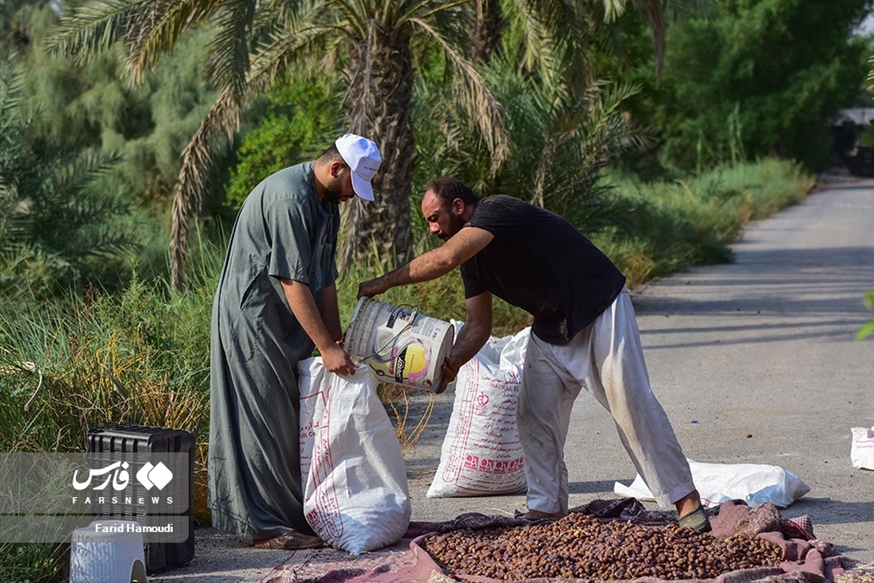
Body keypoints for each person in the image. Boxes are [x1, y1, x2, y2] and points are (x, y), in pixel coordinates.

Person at [357, 177, 710, 532]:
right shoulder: (474, 263)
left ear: (459, 207)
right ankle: (546, 507)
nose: (433, 229)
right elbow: (477, 325)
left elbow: (445, 258)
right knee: (533, 414)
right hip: (551, 326)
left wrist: (383, 282)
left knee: (631, 407)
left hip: (598, 307)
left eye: (435, 218)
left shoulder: (497, 209)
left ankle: (686, 502)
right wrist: (450, 365)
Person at [209, 134, 382, 550]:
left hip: (287, 321)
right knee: (264, 419)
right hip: (254, 318)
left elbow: (325, 282)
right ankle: (267, 529)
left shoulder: (326, 205)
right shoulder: (290, 198)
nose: (350, 199)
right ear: (335, 168)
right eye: (351, 189)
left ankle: (292, 516)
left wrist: (338, 337)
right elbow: (292, 281)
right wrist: (325, 348)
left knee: (290, 418)